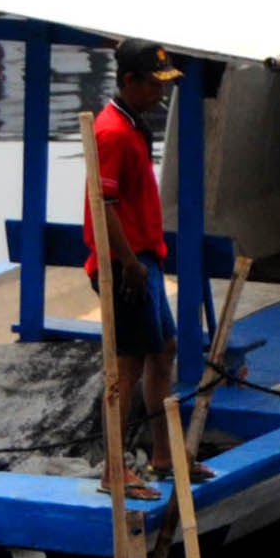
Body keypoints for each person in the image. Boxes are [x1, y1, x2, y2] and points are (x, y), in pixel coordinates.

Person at [83, 41, 204, 495]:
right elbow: (103, 203)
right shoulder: (112, 132)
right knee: (126, 368)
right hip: (123, 265)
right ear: (129, 82)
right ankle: (114, 470)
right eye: (153, 85)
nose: (160, 93)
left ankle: (163, 455)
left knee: (164, 349)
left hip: (144, 260)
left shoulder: (134, 125)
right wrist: (128, 263)